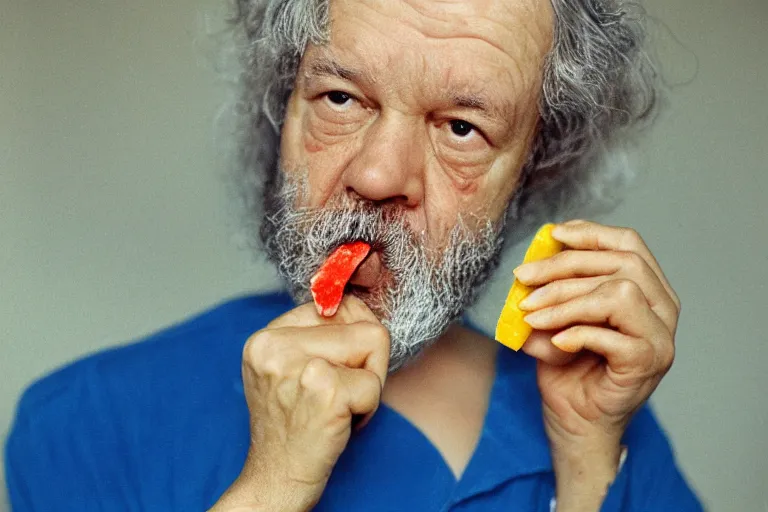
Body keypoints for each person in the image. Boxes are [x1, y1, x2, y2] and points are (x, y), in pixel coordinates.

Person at [5, 0, 704, 510]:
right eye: (341, 97)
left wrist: (585, 462)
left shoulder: (604, 424)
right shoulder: (85, 422)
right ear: (283, 109)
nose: (376, 176)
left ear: (533, 169)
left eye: (461, 127)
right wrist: (272, 487)